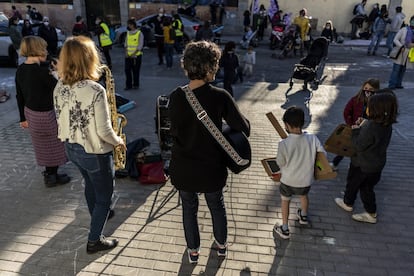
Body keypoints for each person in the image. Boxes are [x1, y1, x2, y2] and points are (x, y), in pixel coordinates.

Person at [168, 40, 250, 263]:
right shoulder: (219, 96)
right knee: (216, 205)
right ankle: (221, 246)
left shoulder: (175, 96)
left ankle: (193, 252)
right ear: (209, 67)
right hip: (211, 169)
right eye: (216, 64)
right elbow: (244, 129)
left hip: (183, 168)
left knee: (188, 208)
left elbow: (170, 130)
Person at [54, 35, 126, 254]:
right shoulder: (95, 90)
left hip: (71, 147)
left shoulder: (60, 85)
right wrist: (119, 141)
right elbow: (104, 131)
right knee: (105, 196)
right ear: (90, 58)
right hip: (95, 152)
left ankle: (97, 212)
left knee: (89, 183)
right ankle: (95, 240)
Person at [335, 90, 398, 224]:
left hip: (362, 164)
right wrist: (365, 123)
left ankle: (368, 212)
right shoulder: (385, 125)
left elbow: (358, 145)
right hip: (376, 164)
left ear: (376, 110)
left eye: (369, 106)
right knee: (362, 186)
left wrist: (356, 129)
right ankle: (349, 202)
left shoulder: (372, 127)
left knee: (360, 187)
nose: (366, 108)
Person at [15, 36, 70, 187]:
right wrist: (59, 72)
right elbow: (61, 89)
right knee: (55, 146)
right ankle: (52, 176)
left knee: (42, 146)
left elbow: (19, 95)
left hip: (30, 114)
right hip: (46, 114)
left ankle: (49, 174)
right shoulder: (42, 72)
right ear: (38, 50)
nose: (46, 51)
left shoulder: (20, 69)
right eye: (44, 48)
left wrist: (22, 118)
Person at [274, 106, 326, 239]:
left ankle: (285, 228)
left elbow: (280, 162)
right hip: (305, 180)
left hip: (288, 181)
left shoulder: (283, 143)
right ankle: (303, 215)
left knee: (285, 200)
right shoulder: (312, 139)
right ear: (303, 122)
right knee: (304, 196)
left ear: (286, 125)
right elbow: (322, 155)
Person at [331, 79, 380, 169]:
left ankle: (358, 166)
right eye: (366, 88)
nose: (368, 91)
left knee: (361, 149)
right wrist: (350, 124)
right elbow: (346, 112)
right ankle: (335, 163)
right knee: (346, 146)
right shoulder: (355, 100)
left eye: (371, 89)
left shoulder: (377, 103)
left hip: (367, 131)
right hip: (354, 128)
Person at [388, 15, 414, 89]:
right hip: (401, 51)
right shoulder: (404, 29)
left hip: (409, 53)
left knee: (403, 70)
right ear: (410, 21)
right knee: (396, 69)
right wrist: (401, 46)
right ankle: (392, 84)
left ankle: (398, 84)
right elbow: (395, 39)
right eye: (412, 20)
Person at [124, 19, 144, 90]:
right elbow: (126, 44)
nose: (128, 26)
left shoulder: (139, 33)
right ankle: (128, 85)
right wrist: (126, 53)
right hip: (128, 56)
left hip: (136, 56)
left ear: (132, 25)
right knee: (127, 70)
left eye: (129, 24)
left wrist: (133, 53)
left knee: (135, 71)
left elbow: (140, 45)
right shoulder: (128, 33)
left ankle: (135, 84)